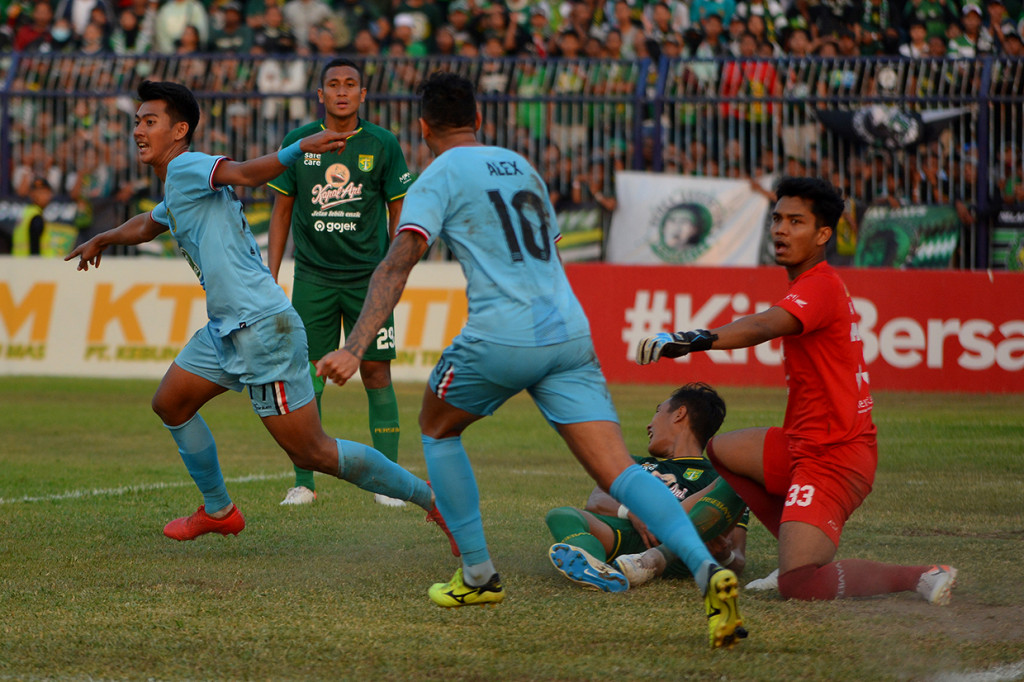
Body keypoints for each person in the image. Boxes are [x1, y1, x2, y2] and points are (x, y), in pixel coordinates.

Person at [315, 72, 746, 649]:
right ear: (480, 120)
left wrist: (353, 346)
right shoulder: (520, 165)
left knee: (438, 429)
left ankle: (478, 576)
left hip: (502, 332)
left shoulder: (437, 175)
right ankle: (704, 569)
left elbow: (397, 262)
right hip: (568, 330)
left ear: (423, 128)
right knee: (619, 470)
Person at [64, 80, 458, 557]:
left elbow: (247, 174)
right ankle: (218, 511)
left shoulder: (188, 165)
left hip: (261, 328)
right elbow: (150, 222)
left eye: (150, 122)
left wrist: (298, 149)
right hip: (227, 328)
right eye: (137, 122)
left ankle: (433, 501)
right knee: (171, 403)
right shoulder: (181, 184)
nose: (138, 131)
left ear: (179, 131)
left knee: (313, 452)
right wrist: (104, 238)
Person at [635, 176, 958, 605]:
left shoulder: (819, 285)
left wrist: (695, 339)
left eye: (795, 222)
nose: (780, 230)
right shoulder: (810, 284)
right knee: (723, 451)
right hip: (801, 444)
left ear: (823, 234)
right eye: (777, 219)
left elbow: (764, 324)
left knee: (801, 585)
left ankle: (920, 576)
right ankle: (790, 544)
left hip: (834, 456)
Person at [267, 58, 412, 508]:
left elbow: (399, 211)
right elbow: (282, 211)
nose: (343, 91)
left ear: (363, 94)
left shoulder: (382, 143)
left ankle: (388, 484)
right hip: (313, 277)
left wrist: (394, 267)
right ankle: (303, 482)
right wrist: (270, 275)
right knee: (306, 376)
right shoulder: (298, 143)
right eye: (334, 84)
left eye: (351, 84)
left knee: (376, 371)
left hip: (369, 281)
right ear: (321, 94)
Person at [545, 383, 749, 591]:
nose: (648, 426)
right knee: (561, 515)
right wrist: (634, 512)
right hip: (625, 534)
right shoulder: (635, 463)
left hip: (677, 549)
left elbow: (738, 560)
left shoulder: (714, 476)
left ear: (679, 414)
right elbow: (597, 501)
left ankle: (655, 552)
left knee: (735, 478)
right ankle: (598, 571)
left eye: (658, 411)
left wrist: (726, 555)